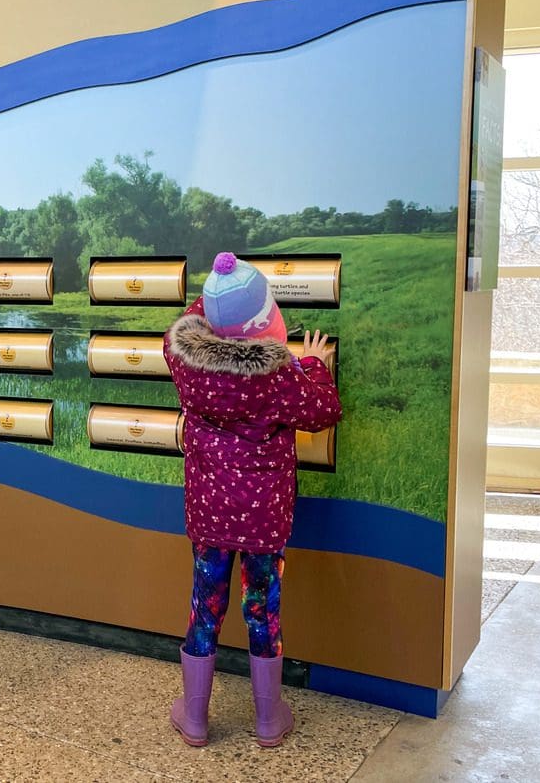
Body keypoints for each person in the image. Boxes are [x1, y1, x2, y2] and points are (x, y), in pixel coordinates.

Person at [163, 252, 342, 748]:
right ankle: (268, 720)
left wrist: (216, 292)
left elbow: (181, 327)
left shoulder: (185, 363)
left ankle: (195, 720)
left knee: (206, 608)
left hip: (209, 519)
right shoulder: (281, 377)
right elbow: (325, 410)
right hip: (264, 523)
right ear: (268, 321)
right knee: (262, 610)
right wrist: (314, 364)